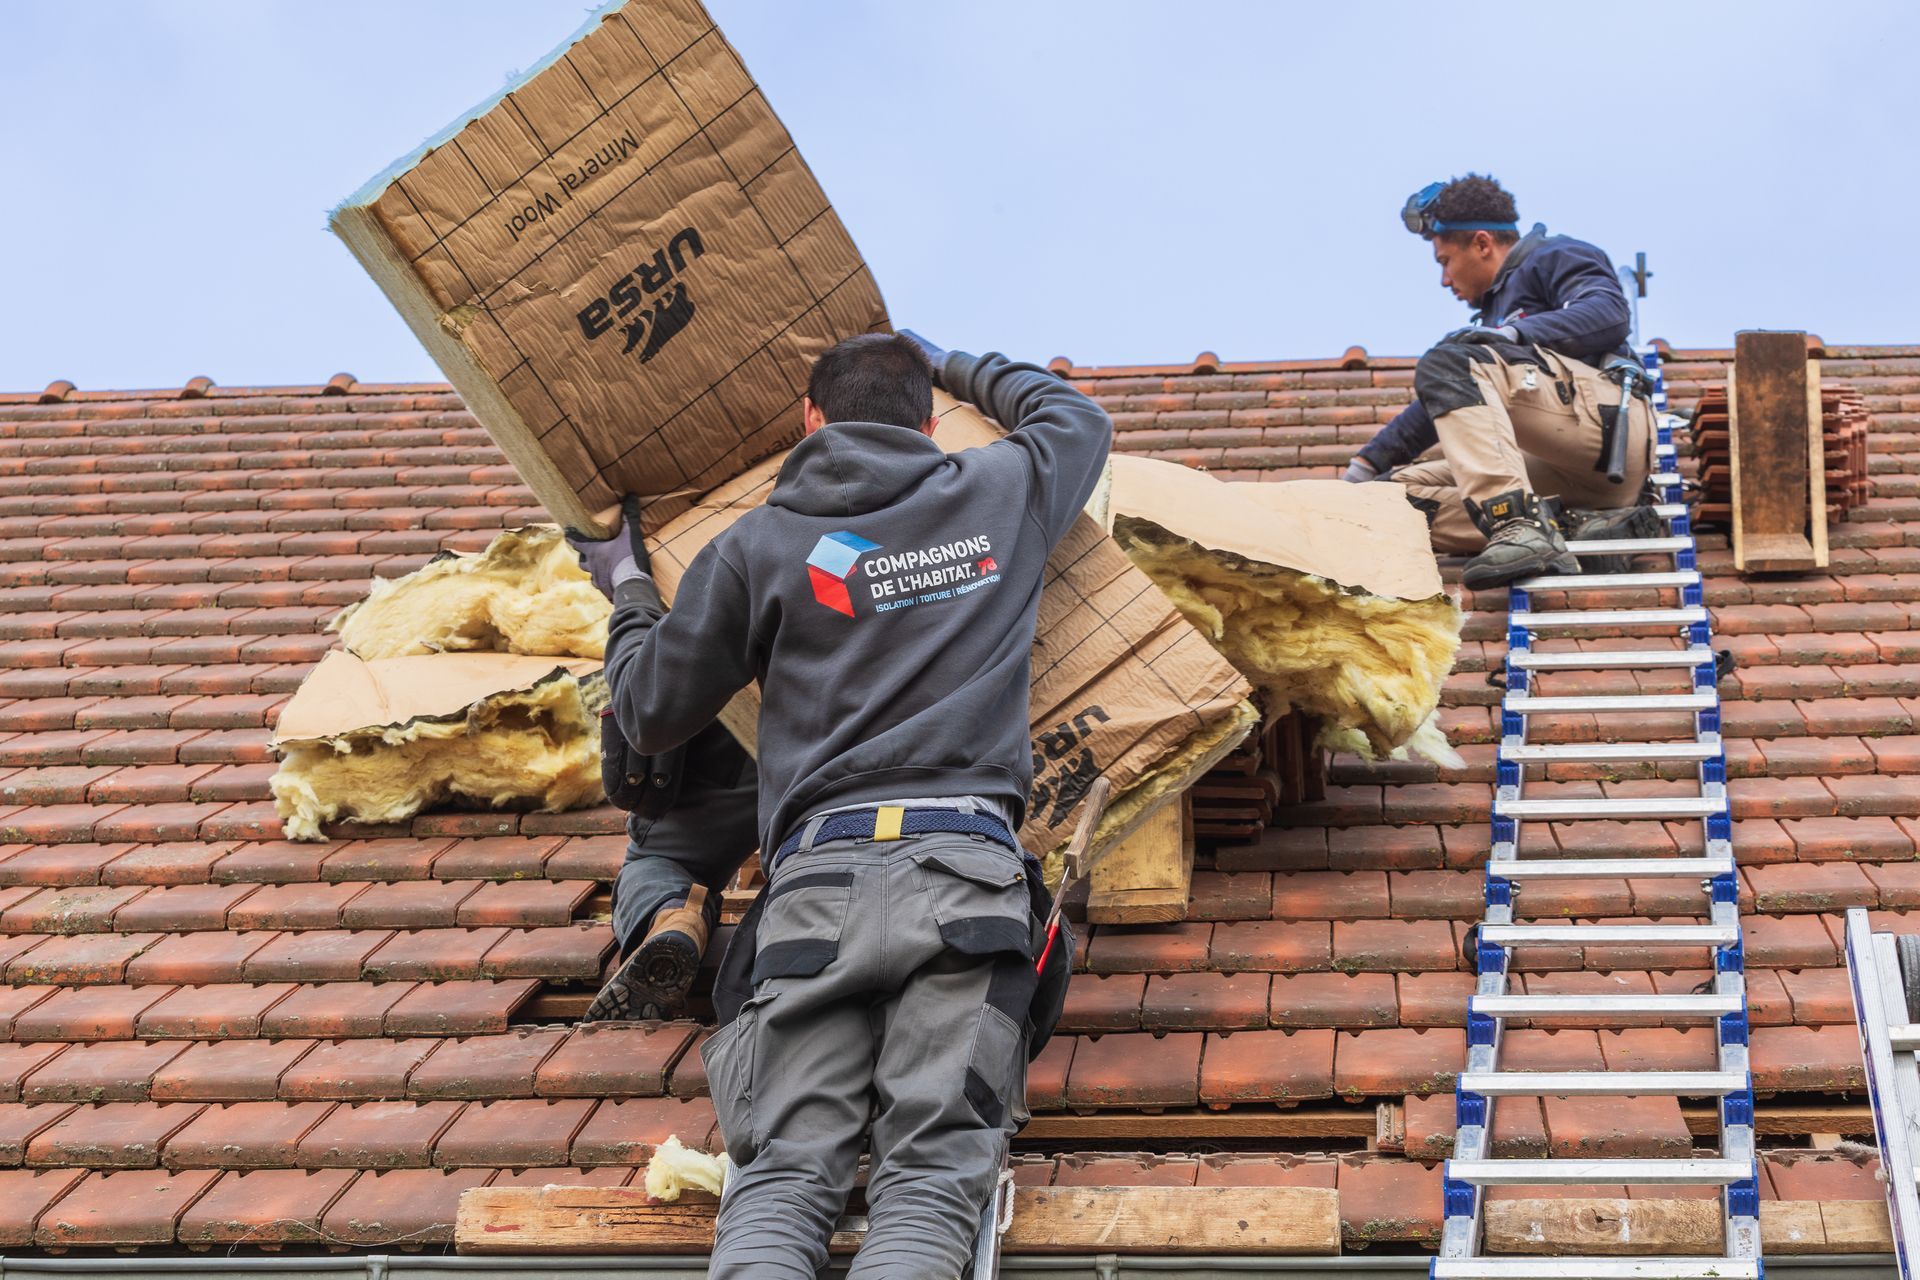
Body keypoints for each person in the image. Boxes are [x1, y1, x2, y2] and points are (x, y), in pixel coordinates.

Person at [593, 331, 1109, 1278]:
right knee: (929, 1178)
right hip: (966, 881)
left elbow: (649, 713)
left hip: (814, 893)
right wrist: (950, 356)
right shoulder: (999, 493)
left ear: (810, 422)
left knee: (784, 1175)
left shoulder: (757, 545)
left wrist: (627, 587)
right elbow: (1075, 415)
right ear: (928, 422)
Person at [1344, 173, 1658, 588]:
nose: (1444, 279)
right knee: (1381, 502)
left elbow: (1608, 312)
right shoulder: (1486, 335)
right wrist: (1360, 473)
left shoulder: (1552, 256)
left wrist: (1513, 334)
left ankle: (1515, 525)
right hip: (1564, 476)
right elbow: (1436, 403)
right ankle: (1575, 529)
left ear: (1481, 244)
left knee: (1451, 360)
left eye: (1444, 261)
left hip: (1611, 437)